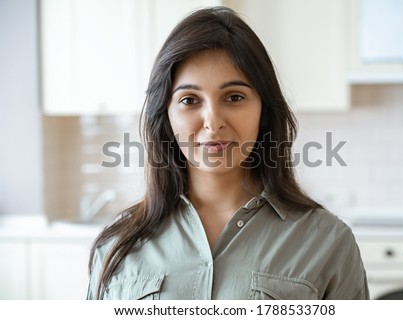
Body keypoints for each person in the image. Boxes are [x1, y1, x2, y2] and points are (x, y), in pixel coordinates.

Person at [87, 6, 369, 300]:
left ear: (264, 110)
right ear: (165, 115)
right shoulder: (117, 246)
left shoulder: (329, 243)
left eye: (234, 97)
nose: (213, 121)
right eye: (189, 99)